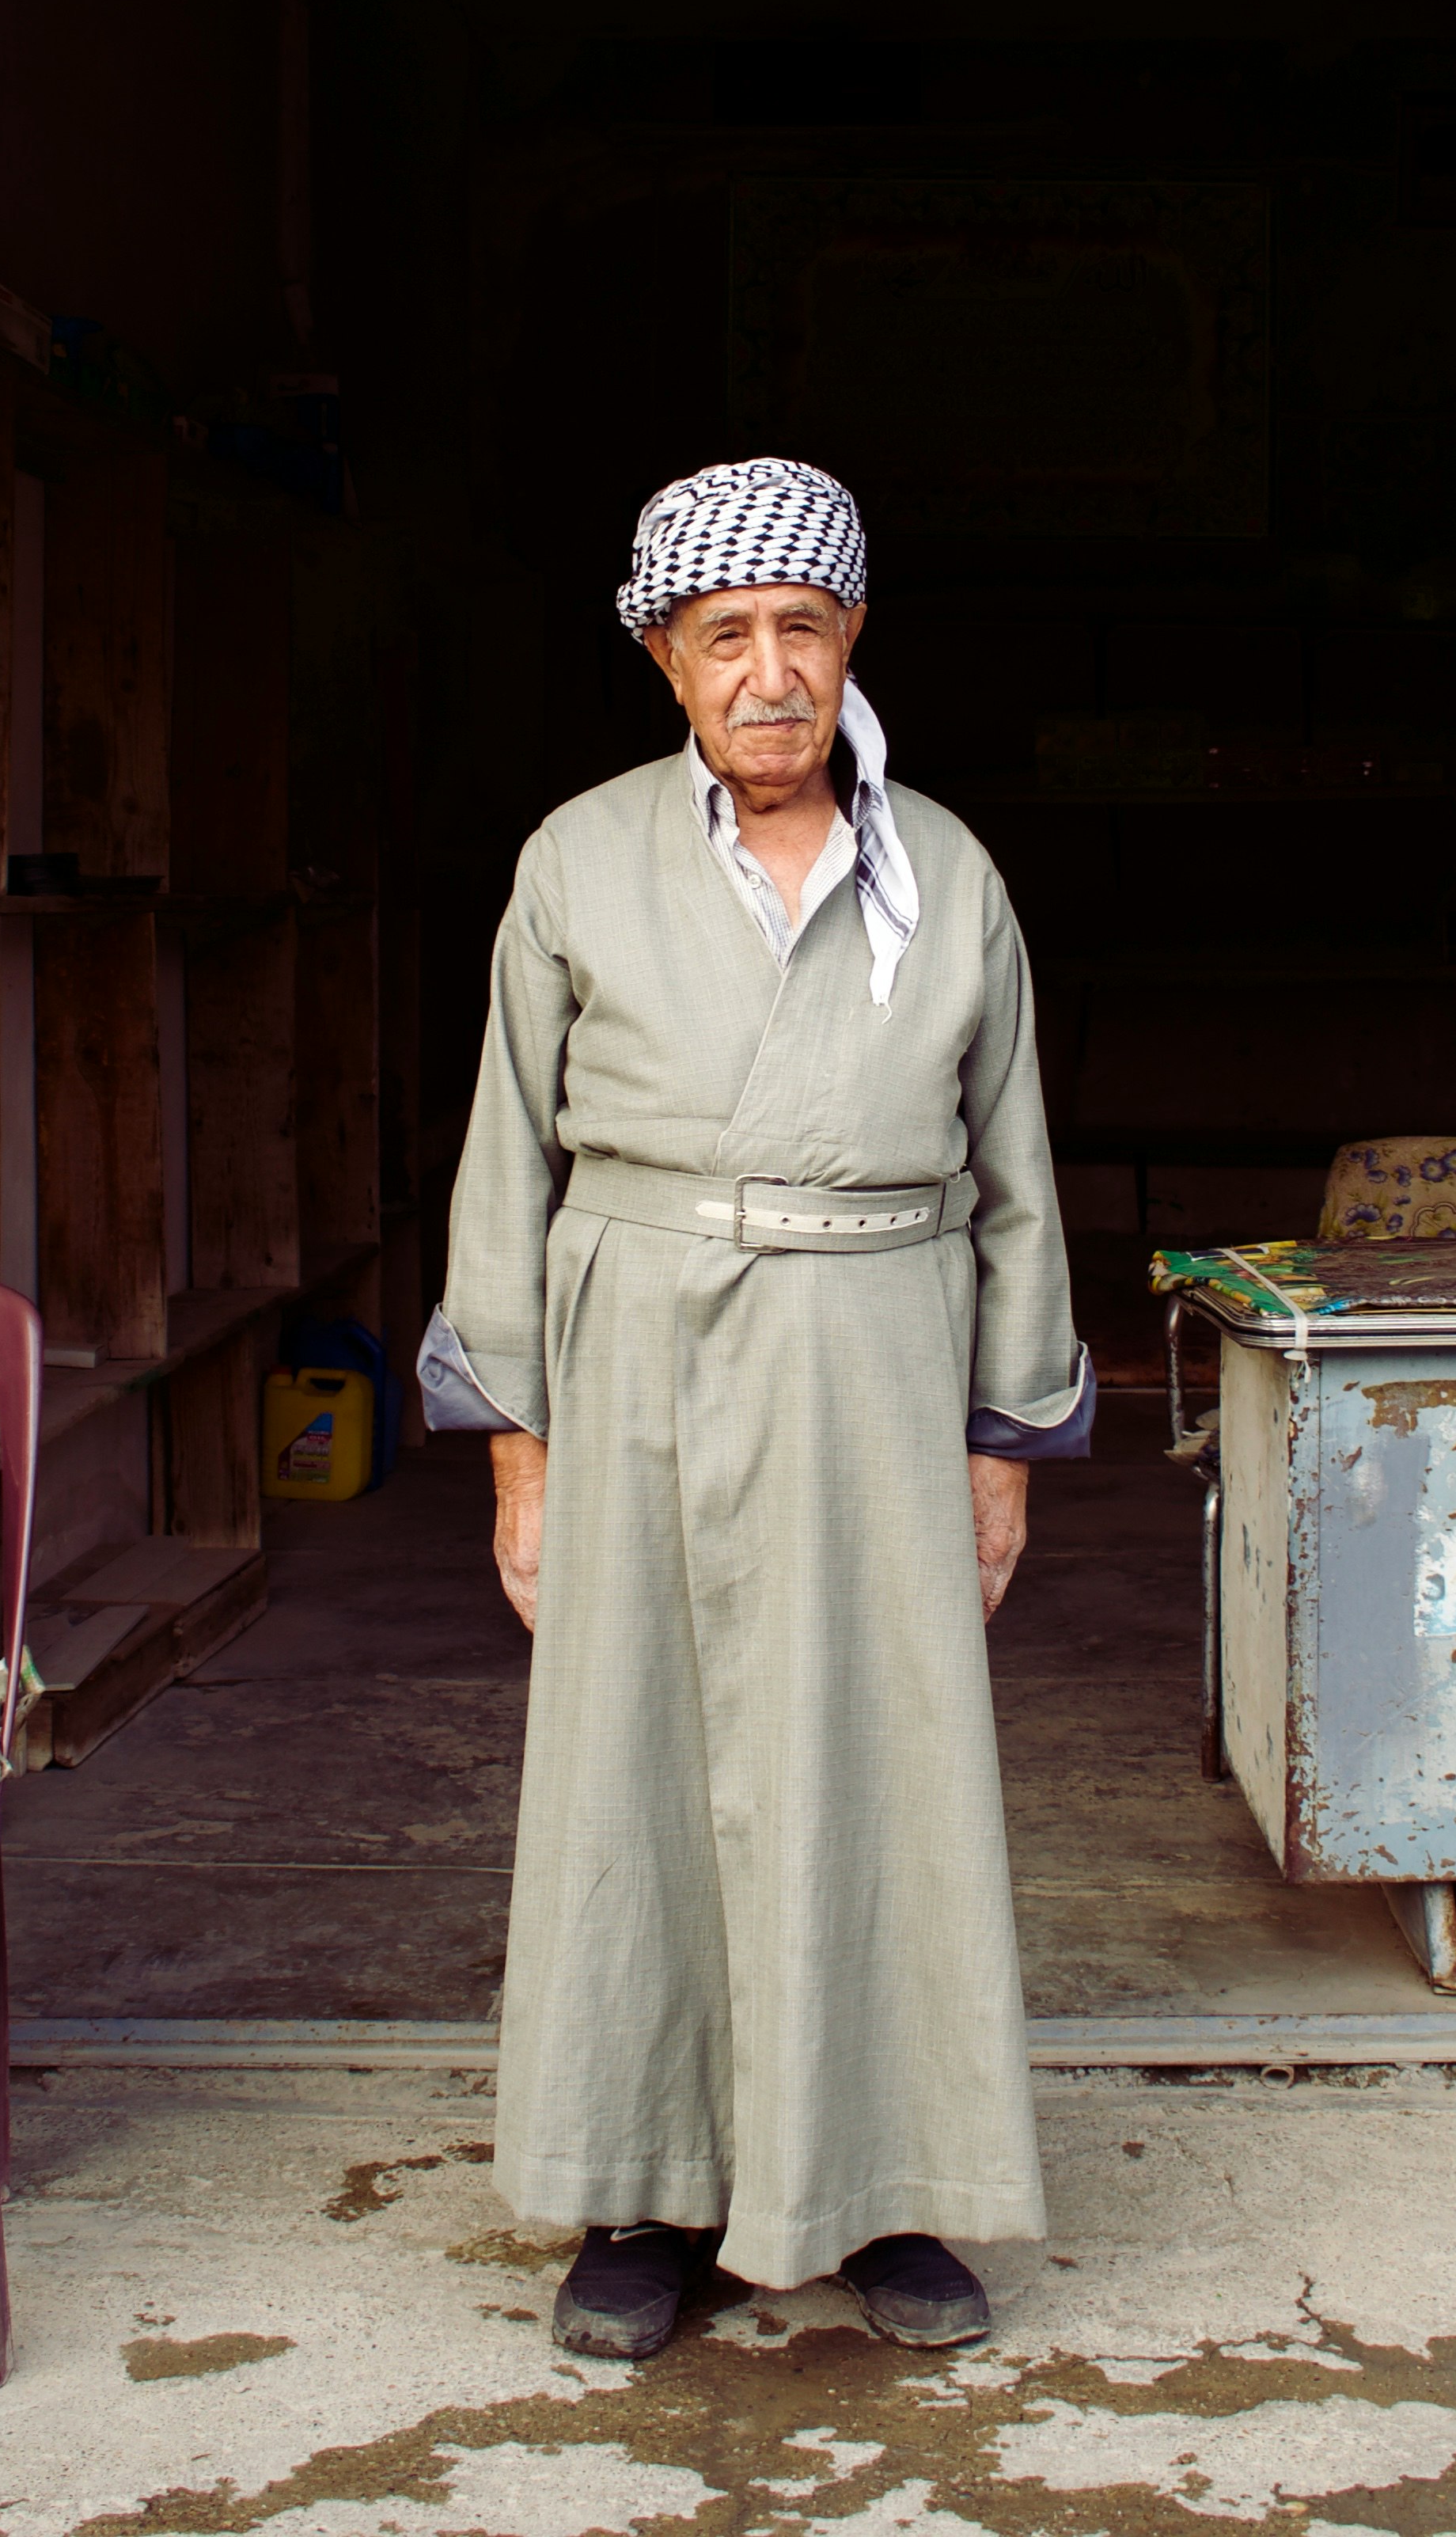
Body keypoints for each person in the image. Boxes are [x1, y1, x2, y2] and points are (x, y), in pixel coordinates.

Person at [417, 456, 1090, 2364]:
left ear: (853, 636)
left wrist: (1002, 1444)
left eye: (803, 628)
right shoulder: (576, 860)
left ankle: (877, 2188)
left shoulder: (947, 870)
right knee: (639, 1770)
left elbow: (1016, 1171)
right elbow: (503, 1166)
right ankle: (647, 2198)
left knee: (875, 1771)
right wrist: (520, 1452)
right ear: (664, 657)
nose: (771, 672)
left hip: (883, 1357)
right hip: (634, 1359)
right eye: (728, 636)